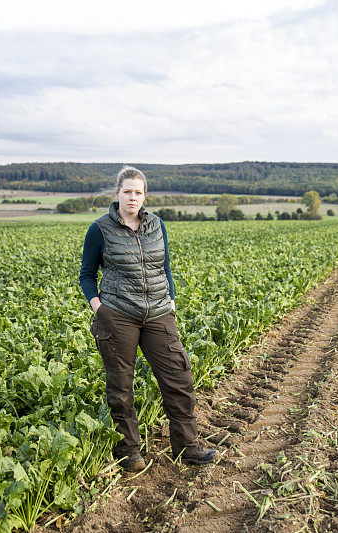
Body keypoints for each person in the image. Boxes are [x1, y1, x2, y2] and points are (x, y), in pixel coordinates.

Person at [79, 166, 217, 471]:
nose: (132, 197)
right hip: (118, 316)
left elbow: (164, 266)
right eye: (127, 191)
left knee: (179, 379)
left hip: (158, 313)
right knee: (121, 386)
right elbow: (87, 275)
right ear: (117, 194)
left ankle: (188, 447)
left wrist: (170, 300)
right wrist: (99, 308)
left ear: (145, 196)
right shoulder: (99, 229)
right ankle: (129, 451)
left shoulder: (157, 225)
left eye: (138, 192)